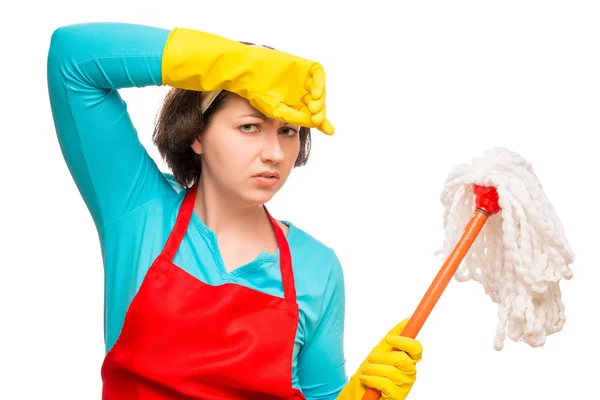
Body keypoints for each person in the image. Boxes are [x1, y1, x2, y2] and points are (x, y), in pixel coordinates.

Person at [47, 22, 423, 399]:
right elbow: (72, 59)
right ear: (196, 135)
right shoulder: (139, 213)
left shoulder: (316, 267)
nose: (274, 153)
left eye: (288, 131)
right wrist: (235, 63)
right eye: (249, 127)